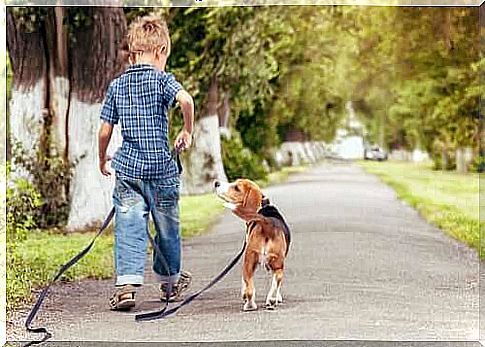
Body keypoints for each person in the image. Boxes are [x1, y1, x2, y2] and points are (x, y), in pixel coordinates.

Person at [98, 15, 194, 311]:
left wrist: (102, 158)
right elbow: (187, 100)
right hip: (162, 172)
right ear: (161, 50)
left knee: (128, 225)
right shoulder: (163, 80)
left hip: (128, 171)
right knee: (167, 227)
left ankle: (126, 287)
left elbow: (104, 130)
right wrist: (187, 130)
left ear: (132, 51)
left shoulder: (117, 85)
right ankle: (169, 284)